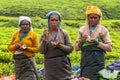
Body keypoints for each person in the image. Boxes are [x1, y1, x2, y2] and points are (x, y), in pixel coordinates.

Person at [75, 6, 112, 80]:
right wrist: (82, 40)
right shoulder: (82, 30)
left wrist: (97, 42)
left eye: (96, 18)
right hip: (86, 61)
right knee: (85, 77)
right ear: (87, 18)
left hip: (98, 62)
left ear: (99, 18)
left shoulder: (103, 30)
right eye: (91, 17)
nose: (93, 20)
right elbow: (76, 48)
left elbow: (109, 48)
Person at [39, 11, 73, 80]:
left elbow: (70, 49)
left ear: (59, 22)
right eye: (52, 20)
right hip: (50, 65)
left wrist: (59, 45)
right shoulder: (45, 33)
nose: (54, 22)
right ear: (48, 21)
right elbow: (41, 51)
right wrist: (44, 40)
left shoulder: (64, 33)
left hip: (62, 64)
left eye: (56, 20)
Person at [8, 16, 39, 80]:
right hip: (18, 62)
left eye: (27, 24)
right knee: (19, 77)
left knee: (30, 77)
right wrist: (15, 46)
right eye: (23, 24)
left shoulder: (33, 35)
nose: (25, 26)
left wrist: (26, 48)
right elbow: (9, 47)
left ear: (29, 26)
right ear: (20, 25)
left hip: (28, 61)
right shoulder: (15, 34)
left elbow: (37, 49)